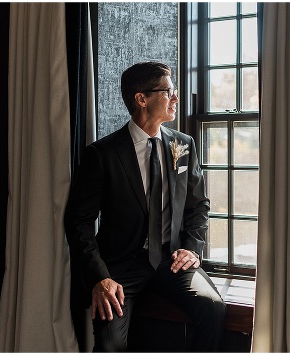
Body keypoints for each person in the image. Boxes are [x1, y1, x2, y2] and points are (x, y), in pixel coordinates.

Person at [64, 61, 225, 351]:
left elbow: (198, 205)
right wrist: (100, 278)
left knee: (213, 308)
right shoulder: (102, 155)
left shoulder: (184, 145)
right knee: (110, 342)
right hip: (120, 267)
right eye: (169, 91)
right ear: (142, 98)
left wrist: (192, 247)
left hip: (171, 260)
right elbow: (79, 222)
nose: (176, 97)